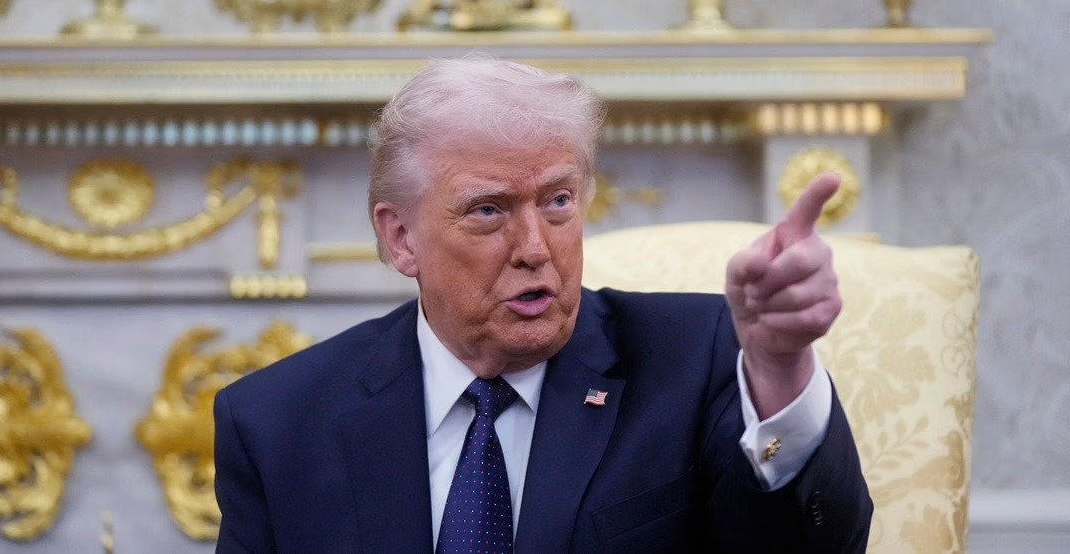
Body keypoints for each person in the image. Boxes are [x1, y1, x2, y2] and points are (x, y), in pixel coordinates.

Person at [213, 58, 872, 553]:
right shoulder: (278, 421)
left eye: (557, 200)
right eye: (489, 209)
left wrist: (781, 366)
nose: (535, 247)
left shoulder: (701, 359)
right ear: (401, 237)